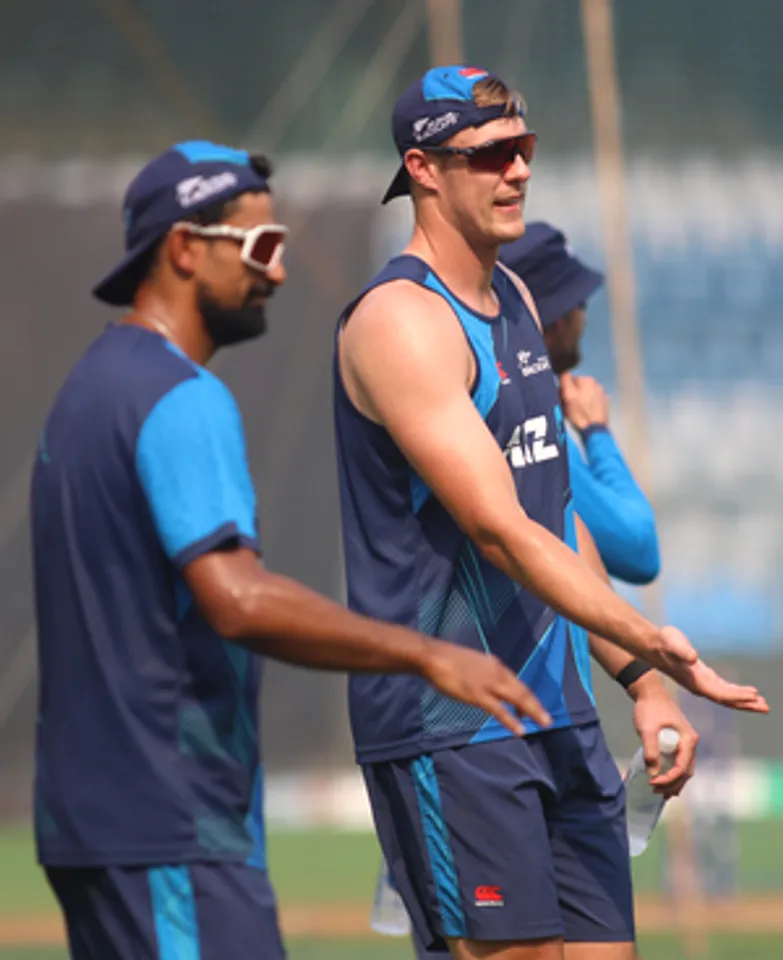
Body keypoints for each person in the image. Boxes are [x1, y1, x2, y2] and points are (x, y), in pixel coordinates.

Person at [30, 140, 550, 960]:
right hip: (170, 821)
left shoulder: (91, 387)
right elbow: (236, 600)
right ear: (183, 250)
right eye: (261, 247)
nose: (275, 272)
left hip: (96, 821)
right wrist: (423, 654)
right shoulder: (177, 397)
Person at [333, 66, 767, 960]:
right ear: (422, 168)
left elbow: (556, 519)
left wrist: (640, 687)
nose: (517, 171)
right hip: (452, 722)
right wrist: (655, 642)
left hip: (558, 713)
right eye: (489, 155)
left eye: (523, 148)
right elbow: (499, 529)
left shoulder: (520, 300)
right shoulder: (399, 322)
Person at [501, 221, 659, 584]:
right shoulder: (528, 414)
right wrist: (596, 433)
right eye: (580, 302)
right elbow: (639, 549)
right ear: (557, 320)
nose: (583, 318)